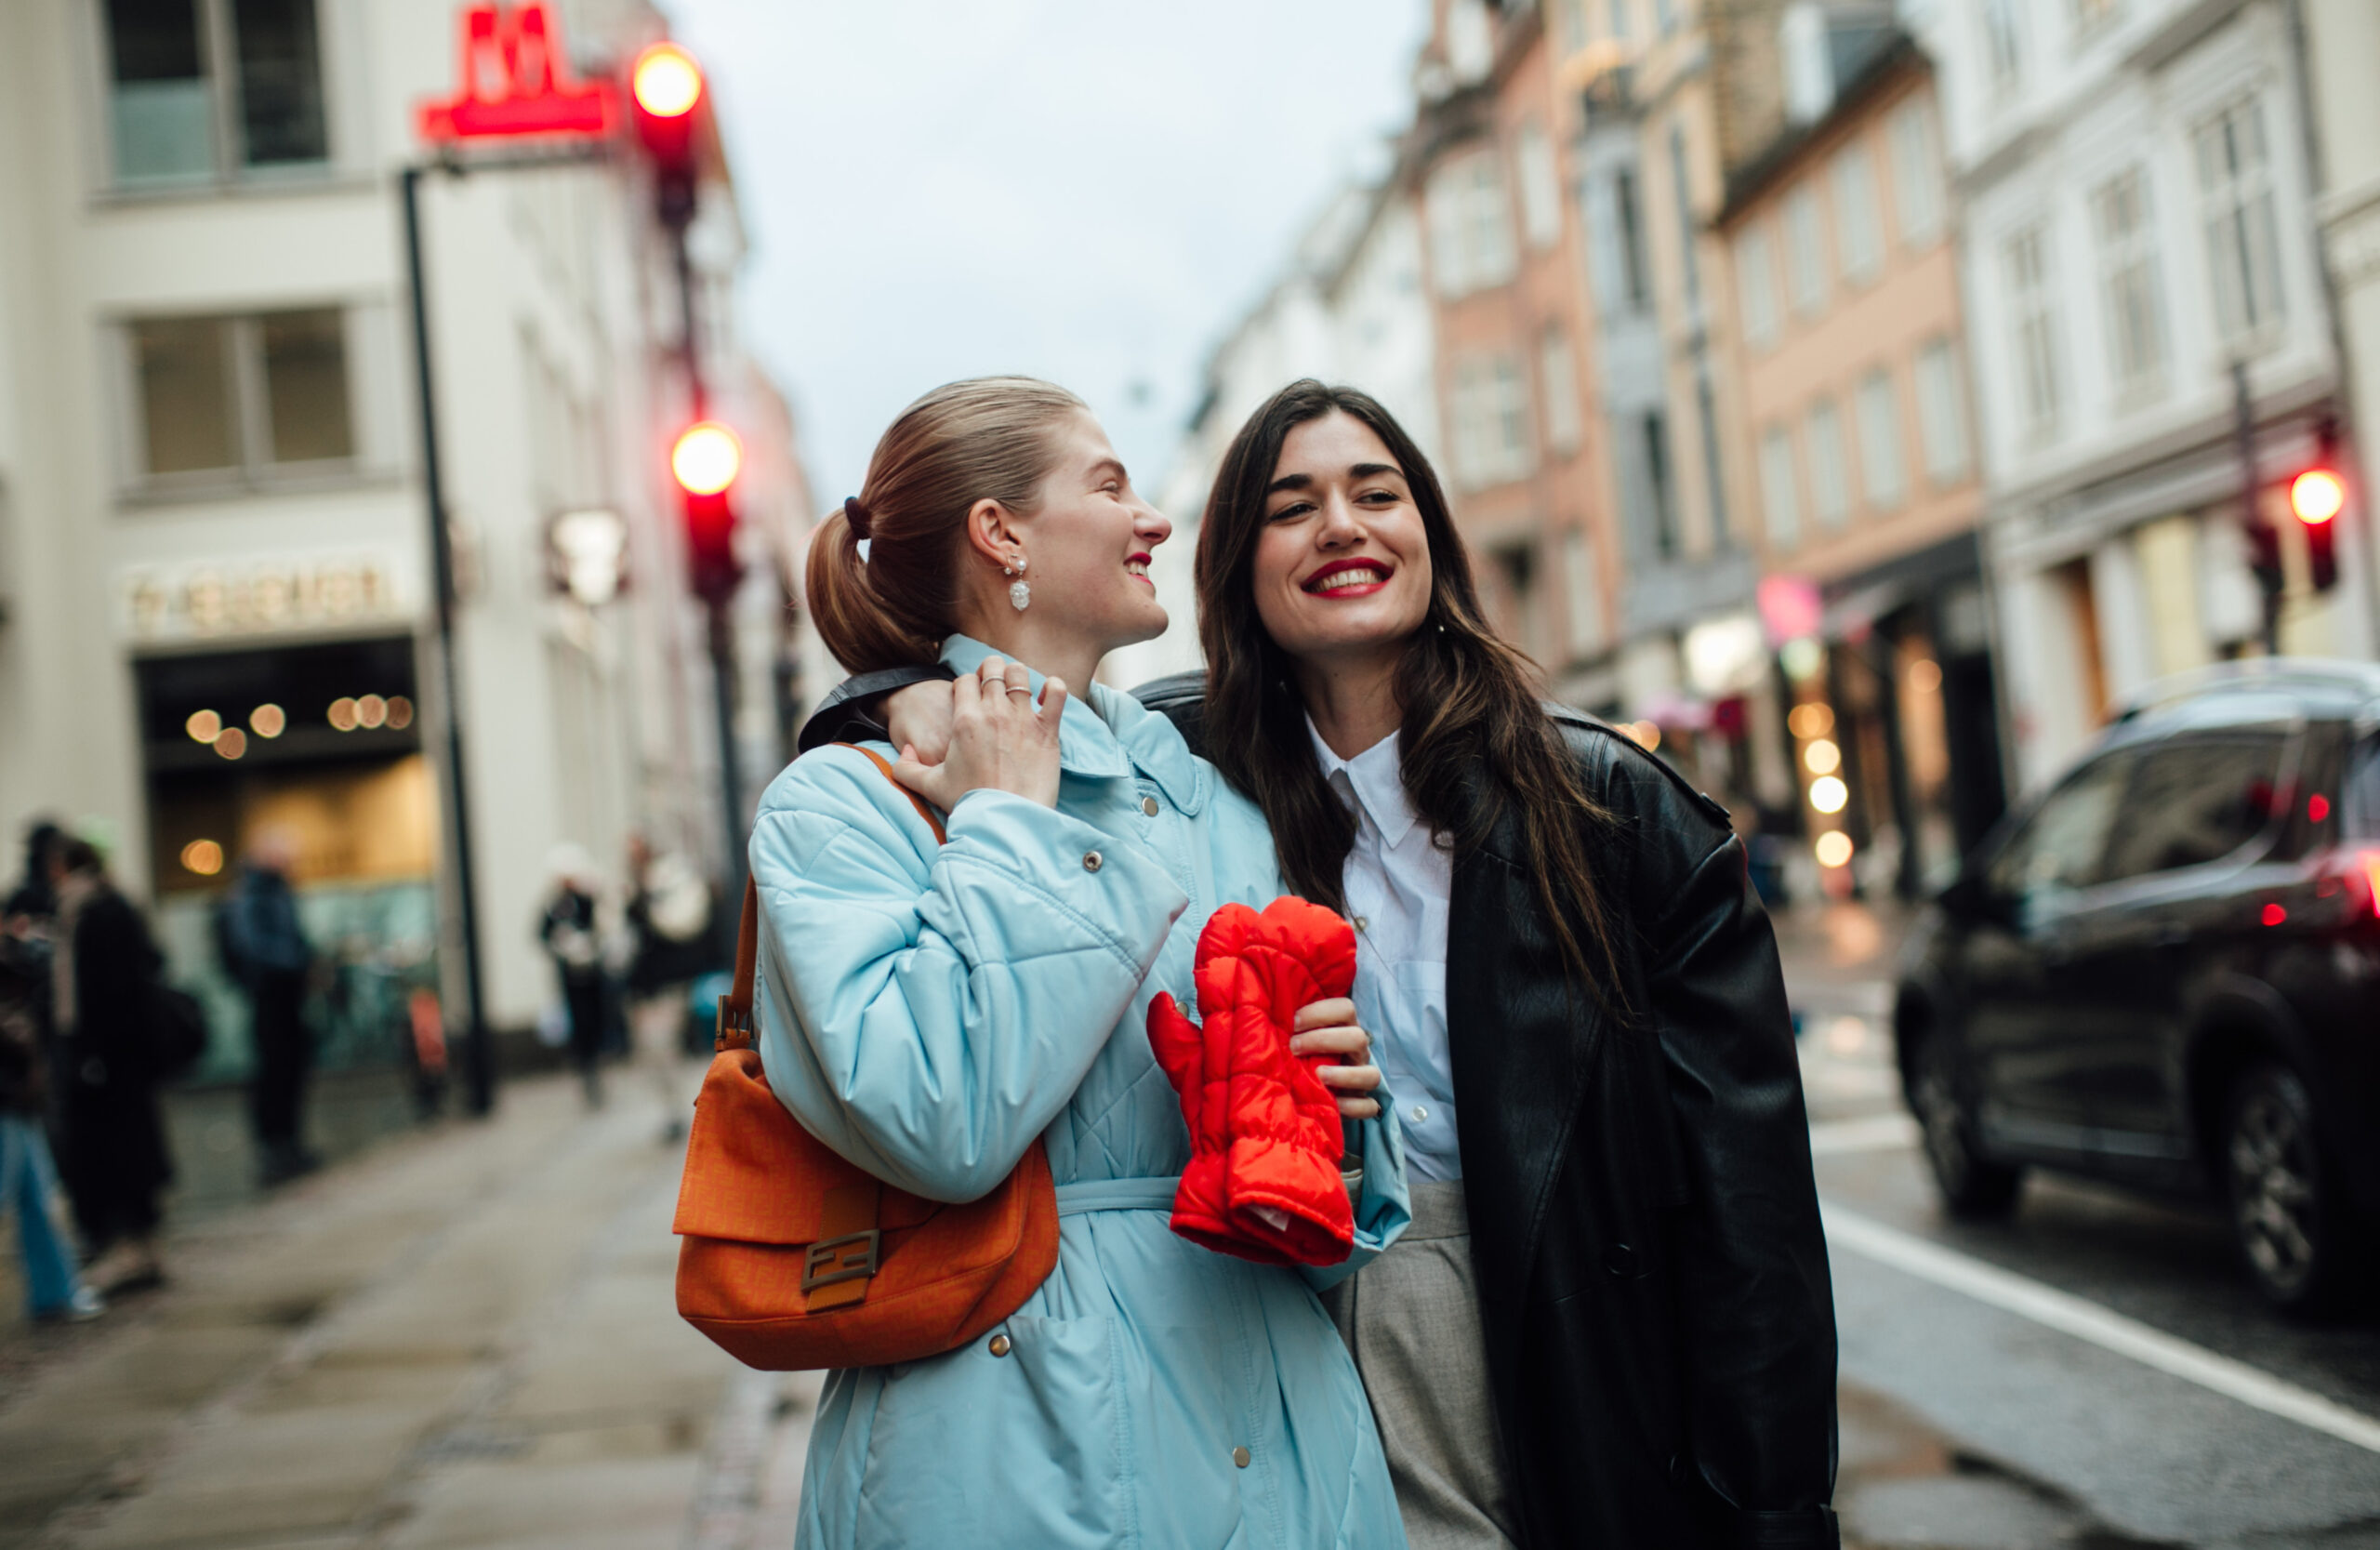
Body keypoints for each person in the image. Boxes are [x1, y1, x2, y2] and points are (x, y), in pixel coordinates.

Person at [840, 380, 1841, 1549]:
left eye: (1378, 493)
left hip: (1562, 1351)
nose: (1343, 527)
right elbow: (1001, 706)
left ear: (1430, 534)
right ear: (1237, 569)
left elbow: (1754, 1223)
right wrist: (903, 700)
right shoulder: (1189, 775)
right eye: (1290, 506)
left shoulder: (1610, 810)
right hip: (1262, 1331)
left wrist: (1775, 1514)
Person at [750, 376, 1411, 1549]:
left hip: (1283, 1435)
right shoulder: (845, 806)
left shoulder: (1211, 798)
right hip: (1018, 1445)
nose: (1155, 518)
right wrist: (1013, 827)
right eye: (1109, 485)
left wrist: (1331, 1121)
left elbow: (1318, 1226)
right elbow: (937, 1119)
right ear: (1000, 533)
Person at [48, 836, 174, 1297]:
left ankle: (131, 1249)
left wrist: (91, 1053)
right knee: (131, 1149)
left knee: (114, 1153)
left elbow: (102, 990)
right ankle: (141, 1246)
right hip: (123, 1058)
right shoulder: (110, 903)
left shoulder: (90, 912)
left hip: (109, 1058)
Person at [0, 904, 103, 1323]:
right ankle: (56, 1291)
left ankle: (55, 1292)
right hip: (8, 1096)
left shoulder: (14, 957)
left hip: (18, 1097)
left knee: (37, 1198)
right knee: (26, 1196)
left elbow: (33, 982)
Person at [216, 832, 318, 1185]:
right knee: (274, 1069)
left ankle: (290, 1141)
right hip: (270, 993)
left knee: (291, 1068)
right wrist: (294, 963)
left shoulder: (277, 889)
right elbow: (253, 944)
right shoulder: (251, 892)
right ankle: (274, 1146)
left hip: (288, 993)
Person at [621, 834, 709, 1138]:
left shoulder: (668, 883)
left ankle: (677, 1111)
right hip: (641, 988)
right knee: (650, 1053)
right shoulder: (632, 888)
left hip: (666, 985)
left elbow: (681, 923)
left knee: (663, 1048)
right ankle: (670, 1110)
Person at [538, 845, 609, 1106]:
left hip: (591, 974)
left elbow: (602, 926)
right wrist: (561, 944)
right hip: (570, 978)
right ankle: (587, 1071)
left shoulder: (586, 900)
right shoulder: (553, 906)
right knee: (579, 1024)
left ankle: (597, 1066)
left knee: (595, 1020)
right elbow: (541, 934)